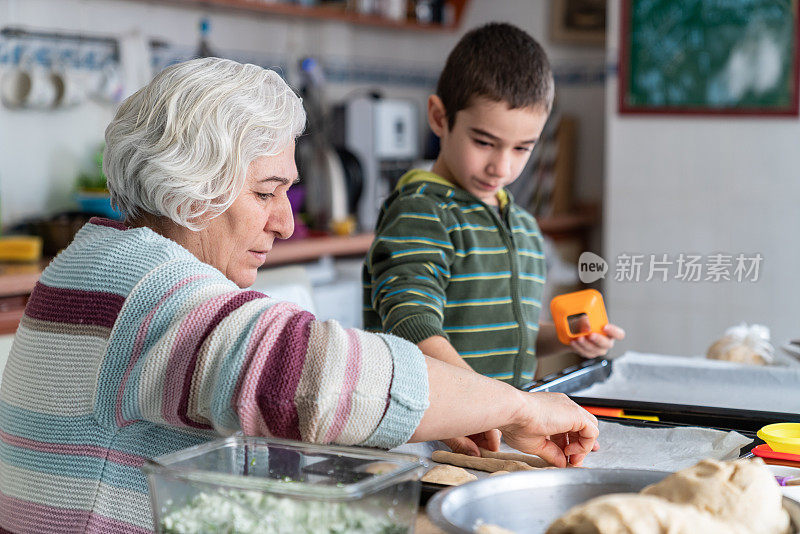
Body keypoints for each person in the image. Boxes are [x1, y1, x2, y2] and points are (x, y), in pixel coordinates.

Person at [0, 58, 598, 534]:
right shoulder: (150, 293)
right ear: (188, 190)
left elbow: (258, 402)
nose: (286, 223)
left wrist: (448, 407)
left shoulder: (99, 263)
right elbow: (313, 375)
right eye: (267, 193)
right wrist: (516, 408)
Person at [362, 23, 623, 455]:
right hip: (425, 441)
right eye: (485, 142)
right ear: (440, 117)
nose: (501, 167)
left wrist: (565, 337)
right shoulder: (421, 211)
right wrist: (499, 408)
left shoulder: (522, 226)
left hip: (497, 436)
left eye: (522, 148)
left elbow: (508, 337)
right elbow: (412, 325)